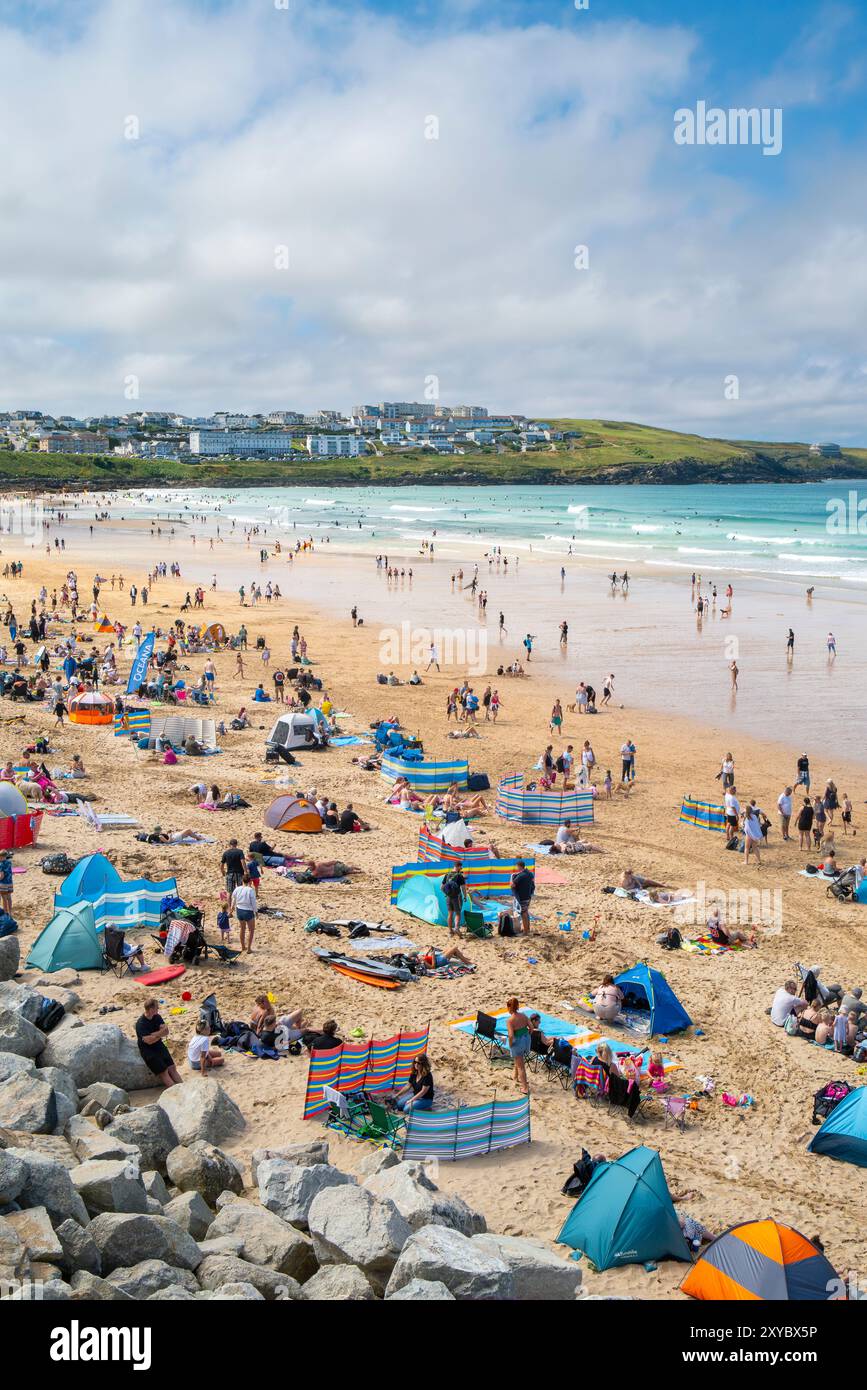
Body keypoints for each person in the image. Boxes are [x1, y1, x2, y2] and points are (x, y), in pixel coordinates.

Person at [135, 999, 181, 1087]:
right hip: (148, 1051)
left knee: (172, 1068)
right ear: (151, 1009)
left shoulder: (157, 1017)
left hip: (159, 1045)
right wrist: (160, 1033)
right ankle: (176, 1090)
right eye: (157, 1007)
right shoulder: (141, 1024)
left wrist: (154, 1035)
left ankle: (183, 1088)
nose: (158, 1008)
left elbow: (166, 1031)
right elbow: (148, 1041)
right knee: (164, 1072)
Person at [506, 997, 531, 1095]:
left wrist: (510, 1044)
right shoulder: (524, 1015)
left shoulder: (510, 1020)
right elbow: (532, 1027)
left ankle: (525, 1088)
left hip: (518, 1042)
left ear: (509, 1008)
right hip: (526, 1039)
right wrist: (527, 1035)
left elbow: (511, 1035)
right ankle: (515, 1076)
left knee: (521, 1066)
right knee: (519, 1058)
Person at [230, 874, 258, 953]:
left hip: (239, 910)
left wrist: (231, 910)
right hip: (248, 911)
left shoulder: (237, 889)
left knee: (242, 929)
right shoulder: (250, 890)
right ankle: (249, 948)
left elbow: (233, 900)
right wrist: (256, 912)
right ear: (250, 881)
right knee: (251, 930)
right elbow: (253, 903)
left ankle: (243, 946)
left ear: (242, 880)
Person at [510, 860, 535, 934]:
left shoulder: (521, 875)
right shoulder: (530, 874)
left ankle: (526, 931)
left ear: (519, 866)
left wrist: (512, 878)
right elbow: (533, 885)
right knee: (525, 912)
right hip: (528, 896)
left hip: (522, 897)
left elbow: (512, 885)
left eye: (517, 866)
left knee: (523, 913)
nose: (516, 868)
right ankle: (527, 929)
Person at [442, 865, 467, 935]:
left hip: (449, 897)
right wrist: (465, 897)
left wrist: (447, 894)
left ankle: (450, 931)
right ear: (458, 867)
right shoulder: (459, 876)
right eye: (461, 867)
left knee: (450, 913)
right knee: (458, 913)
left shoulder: (447, 875)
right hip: (457, 897)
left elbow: (441, 887)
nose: (461, 869)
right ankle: (456, 928)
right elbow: (463, 888)